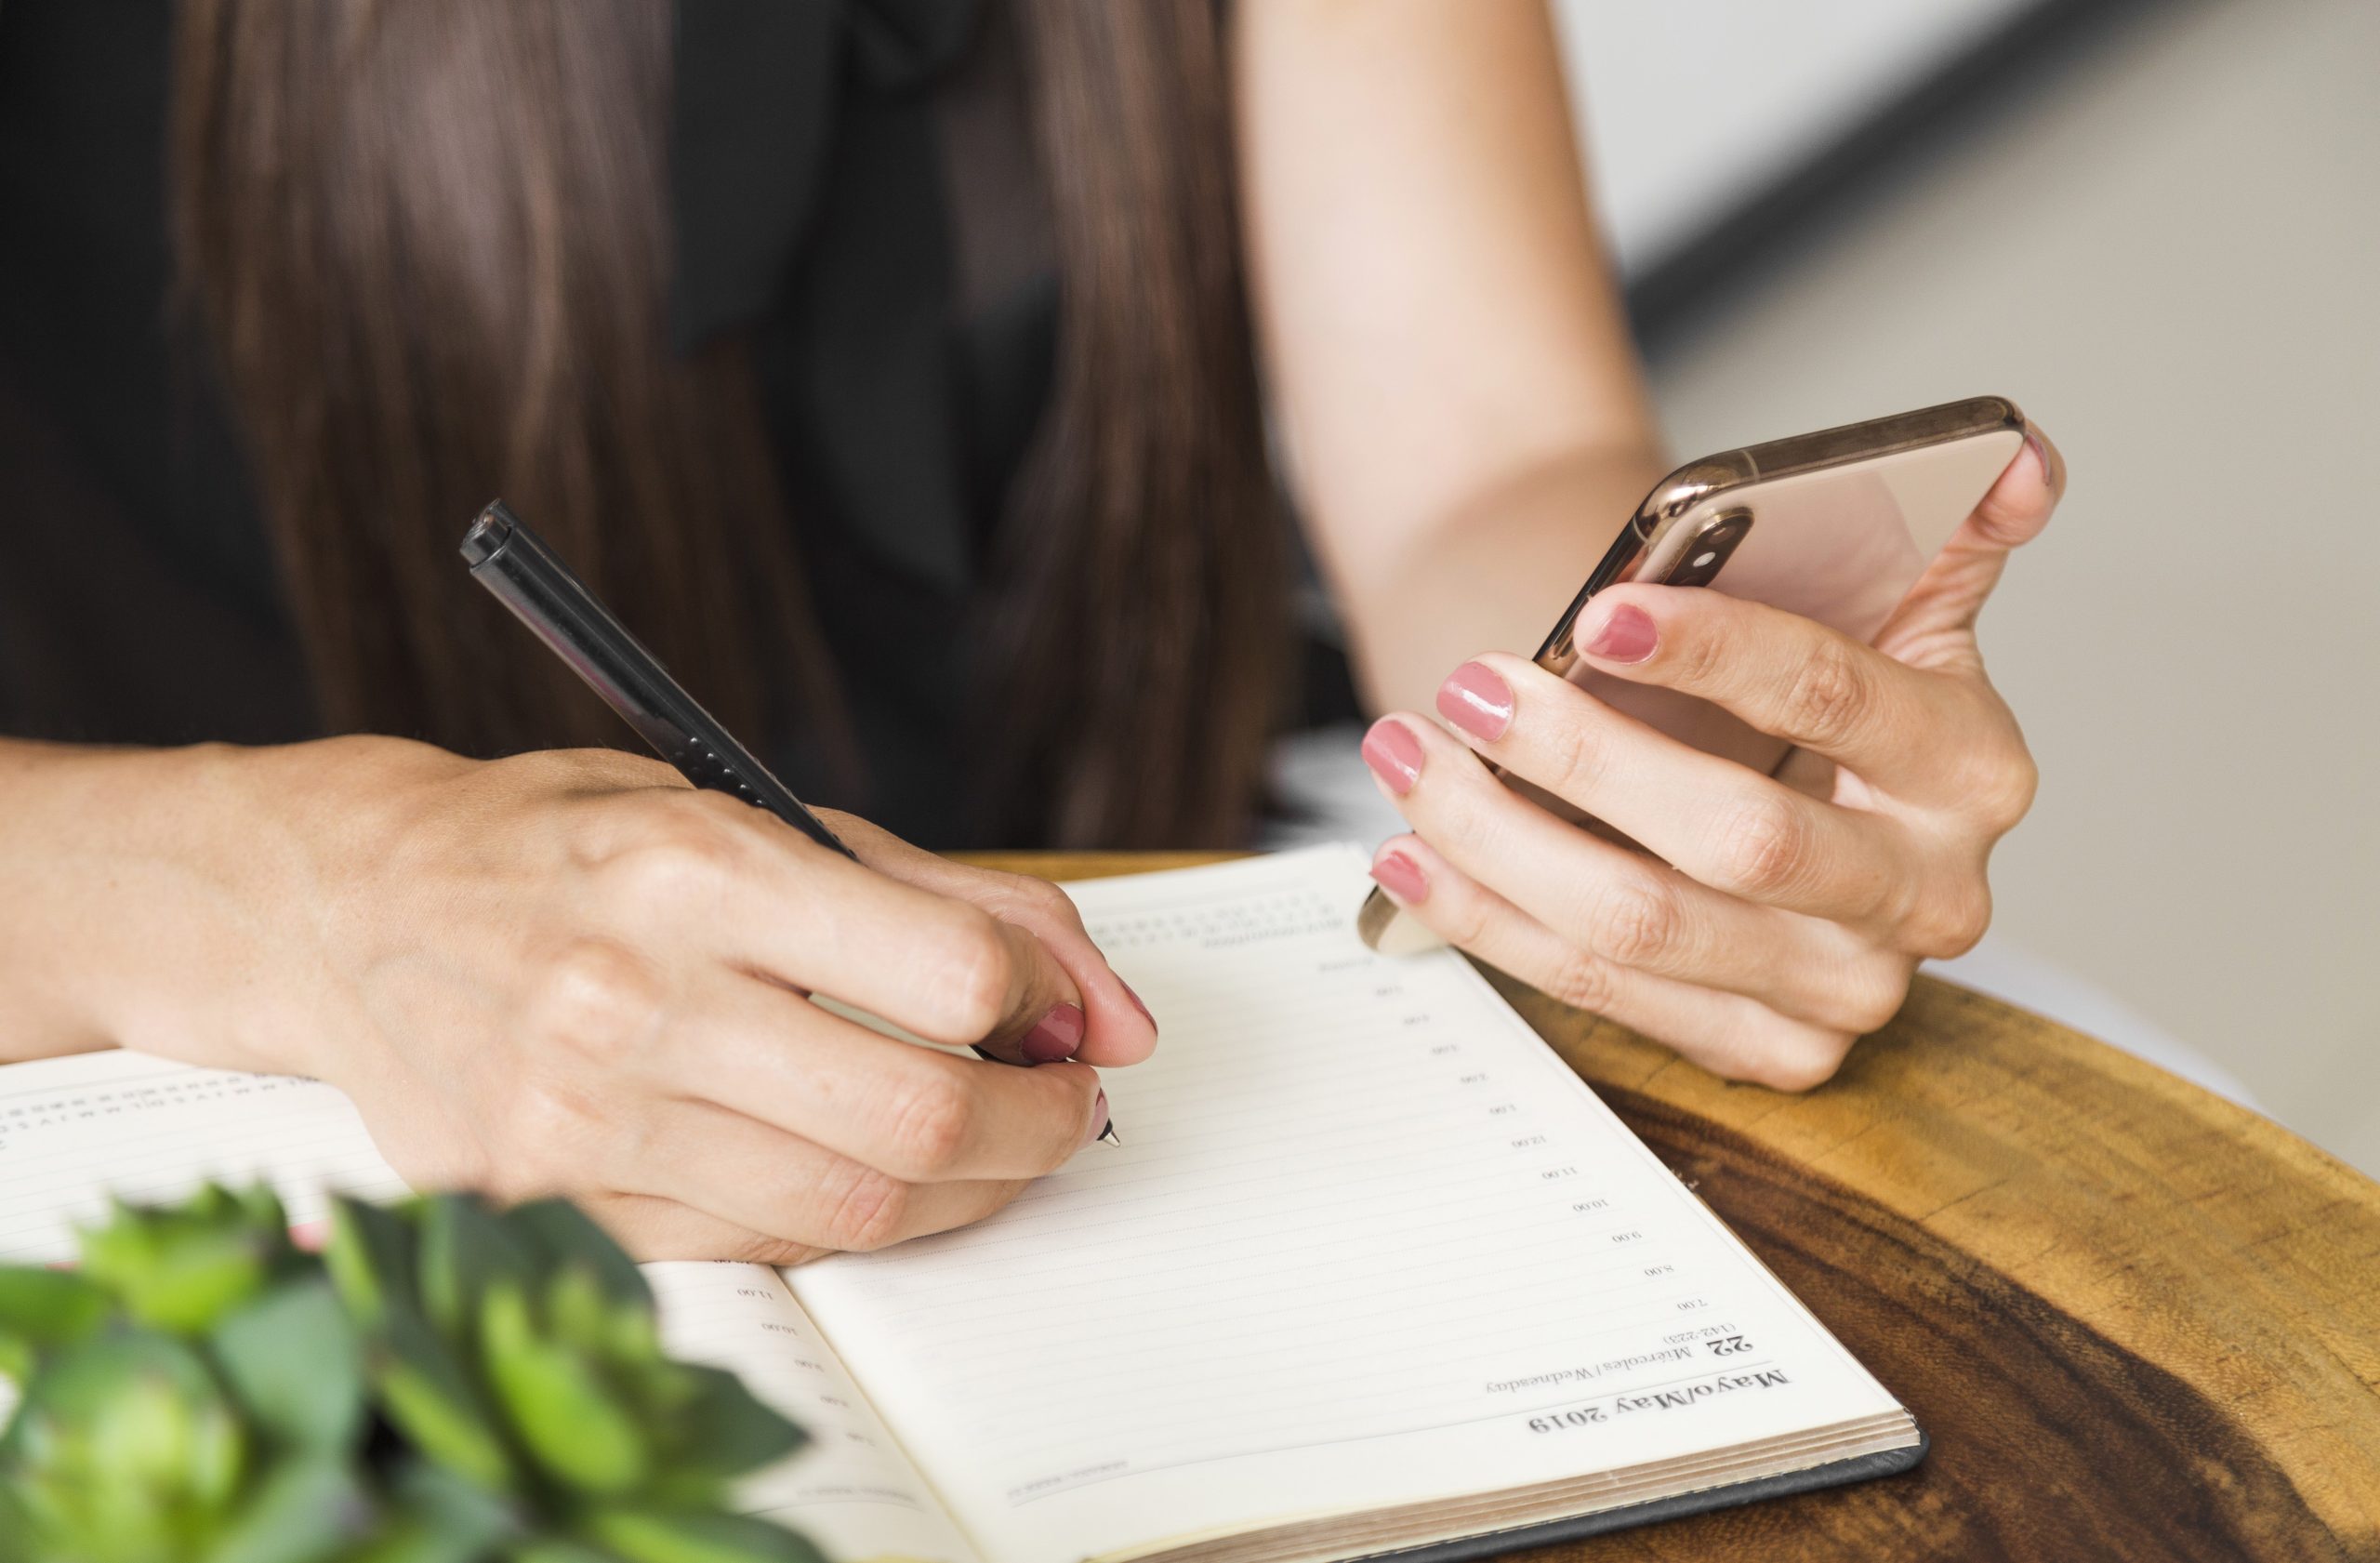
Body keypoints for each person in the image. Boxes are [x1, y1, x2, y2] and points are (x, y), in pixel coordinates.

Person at [0, 0, 2061, 1264]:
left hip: (1120, 1029)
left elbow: (1474, 453)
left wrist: (1657, 734)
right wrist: (306, 892)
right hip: (175, 1066)